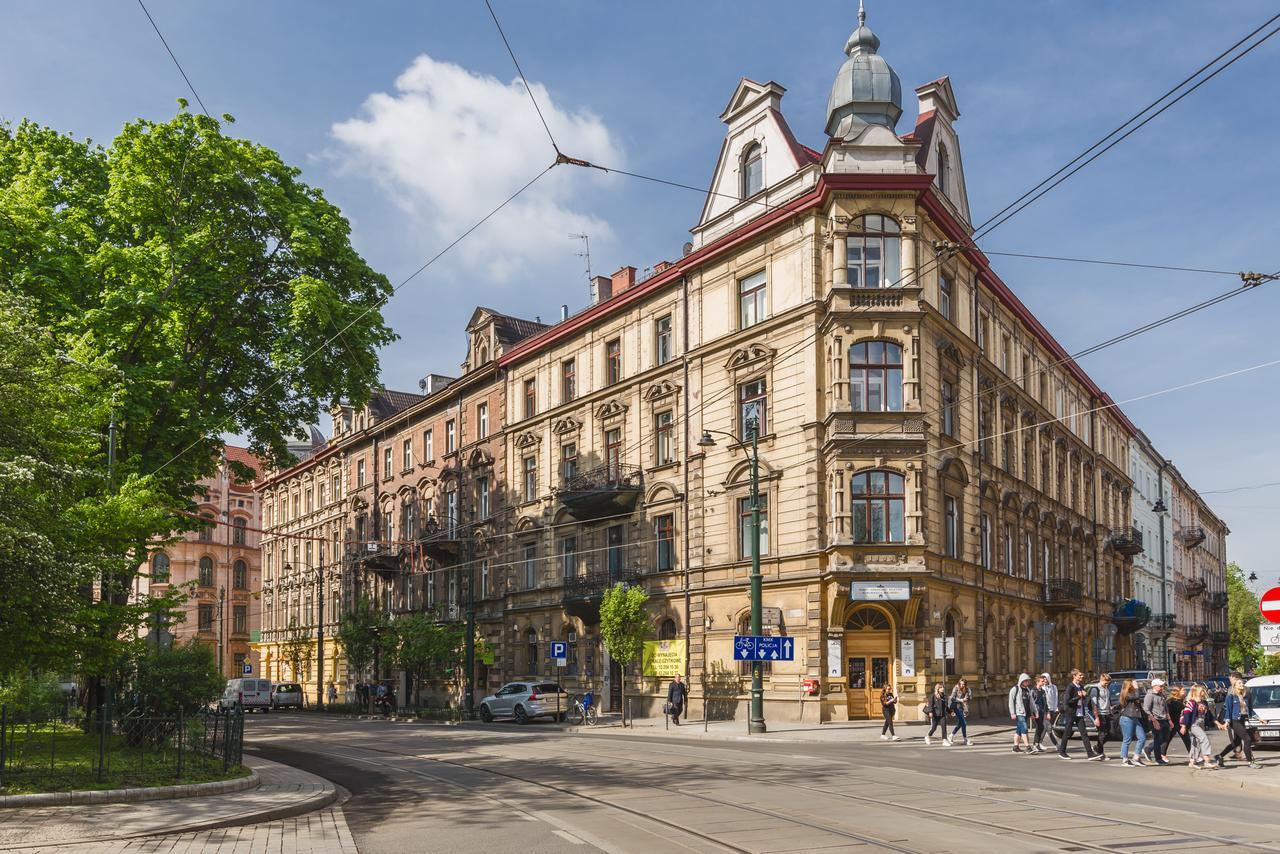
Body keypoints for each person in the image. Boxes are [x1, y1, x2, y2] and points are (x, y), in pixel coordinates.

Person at [1215, 677, 1262, 769]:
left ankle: (1219, 756)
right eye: (1239, 683)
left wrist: (1260, 719)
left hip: (1242, 720)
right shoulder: (1230, 696)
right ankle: (1250, 762)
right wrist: (1226, 722)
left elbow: (1250, 710)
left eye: (1242, 683)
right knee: (1247, 739)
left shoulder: (1246, 696)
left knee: (1236, 742)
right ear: (1235, 686)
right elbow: (1228, 710)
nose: (1242, 684)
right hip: (1234, 721)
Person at [1058, 669, 1097, 759]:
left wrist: (1085, 696)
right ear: (1074, 676)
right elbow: (1067, 701)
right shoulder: (1070, 687)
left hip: (1080, 713)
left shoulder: (1081, 686)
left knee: (1084, 733)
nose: (1082, 677)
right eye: (1080, 675)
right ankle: (1062, 752)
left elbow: (1084, 699)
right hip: (1071, 713)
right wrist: (1078, 696)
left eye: (1082, 675)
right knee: (1067, 733)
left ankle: (1090, 753)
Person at [1181, 685, 1217, 769]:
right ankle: (1207, 761)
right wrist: (1184, 726)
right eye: (1201, 691)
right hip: (1194, 724)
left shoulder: (1204, 702)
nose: (1203, 692)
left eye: (1203, 690)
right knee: (1204, 739)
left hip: (1201, 723)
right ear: (1196, 692)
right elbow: (1186, 714)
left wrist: (1218, 723)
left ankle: (1192, 761)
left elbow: (1210, 715)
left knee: (1195, 743)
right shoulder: (1191, 702)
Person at [1117, 679, 1148, 767]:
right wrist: (1137, 687)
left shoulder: (1133, 694)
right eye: (1133, 683)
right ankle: (1125, 759)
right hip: (1127, 718)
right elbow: (1136, 696)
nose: (1136, 684)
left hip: (1135, 718)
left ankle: (1136, 757)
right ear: (1129, 685)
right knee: (1127, 739)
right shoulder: (1126, 694)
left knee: (1142, 737)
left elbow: (1138, 697)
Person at [1142, 678, 1172, 765]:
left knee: (1165, 739)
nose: (1162, 687)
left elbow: (1165, 708)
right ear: (1154, 686)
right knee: (1158, 739)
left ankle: (1150, 751)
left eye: (1162, 686)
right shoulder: (1150, 695)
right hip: (1155, 720)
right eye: (1160, 686)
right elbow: (1146, 709)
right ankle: (1158, 759)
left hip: (1164, 719)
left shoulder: (1161, 695)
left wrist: (1169, 720)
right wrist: (1154, 721)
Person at [1088, 673, 1114, 761]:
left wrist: (1111, 708)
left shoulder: (1106, 688)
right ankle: (1100, 753)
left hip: (1107, 713)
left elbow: (1108, 700)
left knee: (1111, 733)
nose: (1107, 684)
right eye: (1105, 683)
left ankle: (1097, 747)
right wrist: (1096, 717)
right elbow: (1094, 704)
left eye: (1108, 683)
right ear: (1101, 680)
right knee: (1102, 734)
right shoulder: (1095, 689)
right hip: (1099, 713)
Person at [1008, 673, 1033, 753]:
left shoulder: (1027, 689)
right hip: (1019, 713)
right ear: (1022, 681)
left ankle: (1015, 747)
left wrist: (1033, 712)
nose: (1027, 682)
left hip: (1026, 713)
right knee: (1025, 729)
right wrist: (1012, 713)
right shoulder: (1015, 689)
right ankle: (1028, 747)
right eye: (1026, 681)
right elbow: (1011, 702)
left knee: (1019, 730)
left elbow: (1031, 702)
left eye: (1028, 681)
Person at [1164, 686, 1190, 756]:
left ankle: (1192, 755)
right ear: (1178, 692)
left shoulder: (1182, 700)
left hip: (1179, 723)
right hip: (1173, 723)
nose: (1185, 692)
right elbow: (1184, 709)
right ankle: (1161, 754)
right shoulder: (1173, 701)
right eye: (1183, 690)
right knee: (1167, 740)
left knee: (1186, 739)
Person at [1030, 675, 1050, 753]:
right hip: (1036, 712)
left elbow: (1045, 702)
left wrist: (1047, 712)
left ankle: (1037, 744)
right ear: (1037, 682)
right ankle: (1035, 744)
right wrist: (1032, 713)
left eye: (1044, 681)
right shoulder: (1033, 691)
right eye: (1042, 681)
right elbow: (1031, 703)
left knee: (1041, 728)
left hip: (1041, 711)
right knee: (1039, 727)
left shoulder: (1042, 691)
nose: (1044, 682)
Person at [948, 678, 972, 746]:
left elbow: (970, 698)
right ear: (959, 683)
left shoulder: (967, 689)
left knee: (960, 724)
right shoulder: (956, 688)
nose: (962, 685)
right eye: (961, 684)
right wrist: (961, 700)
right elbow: (952, 698)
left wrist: (969, 695)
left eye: (963, 684)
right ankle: (965, 739)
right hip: (957, 707)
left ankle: (951, 735)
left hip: (964, 708)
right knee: (964, 723)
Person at [1040, 673, 1060, 748]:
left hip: (1052, 710)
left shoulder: (1053, 687)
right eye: (1043, 679)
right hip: (1045, 710)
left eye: (1046, 678)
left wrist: (1055, 708)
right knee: (1049, 728)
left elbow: (1056, 698)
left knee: (1046, 727)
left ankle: (1038, 743)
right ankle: (1056, 744)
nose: (1045, 680)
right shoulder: (1042, 688)